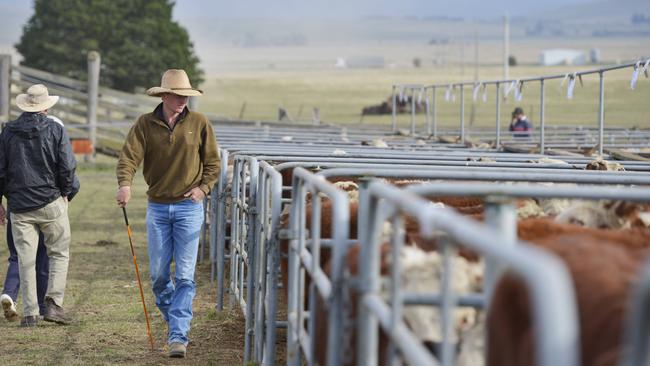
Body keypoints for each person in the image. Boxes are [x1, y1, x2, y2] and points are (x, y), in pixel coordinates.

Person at [115, 69, 220, 358]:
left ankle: (178, 336)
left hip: (189, 207)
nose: (183, 100)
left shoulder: (199, 123)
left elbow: (213, 163)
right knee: (160, 277)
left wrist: (203, 189)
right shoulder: (145, 124)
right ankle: (177, 318)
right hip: (158, 207)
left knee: (185, 276)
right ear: (163, 96)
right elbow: (128, 158)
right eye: (177, 95)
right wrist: (125, 185)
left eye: (186, 96)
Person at [0, 84, 76, 327]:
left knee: (25, 259)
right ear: (46, 106)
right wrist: (66, 192)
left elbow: (1, 170)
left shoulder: (8, 131)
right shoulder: (55, 129)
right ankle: (53, 304)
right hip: (50, 201)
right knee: (59, 253)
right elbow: (67, 165)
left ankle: (31, 313)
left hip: (19, 206)